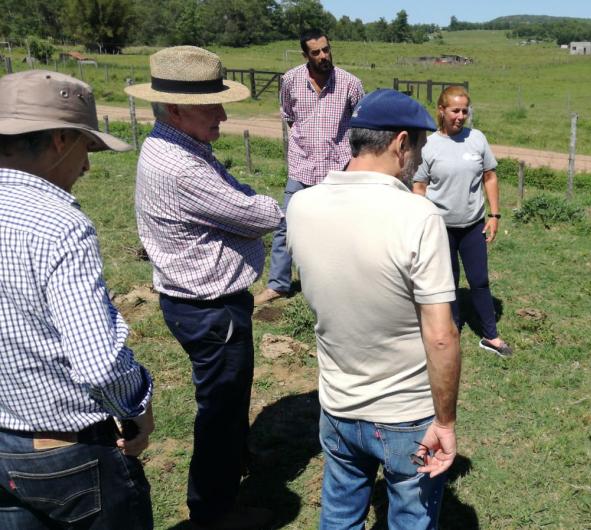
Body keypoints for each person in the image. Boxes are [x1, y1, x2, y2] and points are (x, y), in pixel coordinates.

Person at [286, 89, 461, 529]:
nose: (419, 160)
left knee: (340, 516)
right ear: (401, 143)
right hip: (405, 412)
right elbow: (441, 335)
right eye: (418, 147)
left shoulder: (302, 205)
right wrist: (445, 421)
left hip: (338, 403)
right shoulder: (418, 216)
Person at [127, 46, 283, 529]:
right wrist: (251, 215)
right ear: (175, 108)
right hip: (211, 308)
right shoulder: (183, 167)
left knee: (227, 400)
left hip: (199, 302)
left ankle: (230, 478)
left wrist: (237, 219)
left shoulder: (174, 146)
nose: (221, 114)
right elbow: (263, 214)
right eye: (210, 105)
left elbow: (236, 207)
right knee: (219, 410)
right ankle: (213, 511)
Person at [0, 70, 154, 528]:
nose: (86, 167)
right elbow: (98, 362)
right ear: (61, 140)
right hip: (67, 452)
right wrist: (138, 403)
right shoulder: (58, 224)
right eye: (86, 148)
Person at [254, 27, 365, 305]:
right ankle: (278, 285)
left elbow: (361, 125)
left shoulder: (350, 84)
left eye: (326, 49)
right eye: (316, 52)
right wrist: (304, 144)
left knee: (339, 228)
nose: (323, 56)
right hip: (302, 166)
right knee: (286, 224)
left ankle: (340, 283)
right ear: (305, 55)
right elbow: (288, 116)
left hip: (337, 168)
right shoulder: (290, 80)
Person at [412, 86, 512, 357]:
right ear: (442, 111)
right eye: (455, 110)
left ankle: (490, 335)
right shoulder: (429, 145)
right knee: (448, 281)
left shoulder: (476, 139)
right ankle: (451, 329)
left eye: (464, 111)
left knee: (479, 280)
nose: (460, 116)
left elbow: (489, 177)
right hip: (440, 227)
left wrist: (494, 214)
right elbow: (419, 185)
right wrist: (422, 219)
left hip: (472, 225)